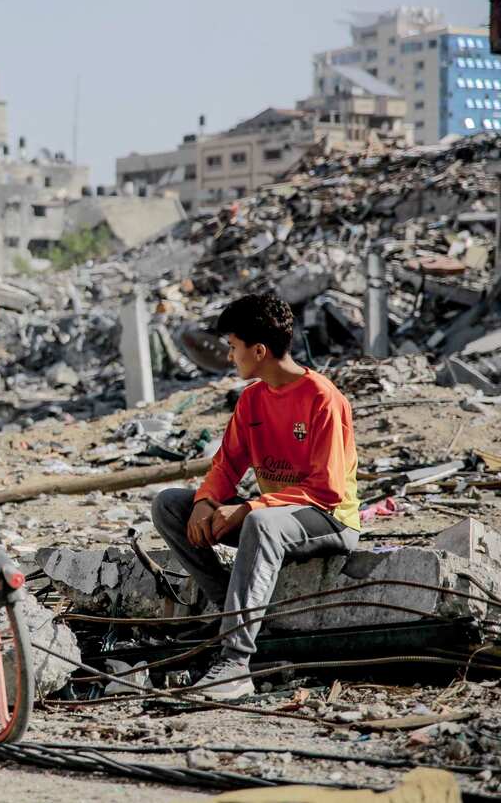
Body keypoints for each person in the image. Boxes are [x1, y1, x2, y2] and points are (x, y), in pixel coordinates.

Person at [152, 293, 361, 699]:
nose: (230, 357)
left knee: (262, 523)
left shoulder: (322, 398)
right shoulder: (252, 399)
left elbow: (327, 488)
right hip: (274, 517)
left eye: (233, 347)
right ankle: (230, 610)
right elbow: (227, 464)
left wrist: (248, 507)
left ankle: (234, 664)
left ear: (259, 350)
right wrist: (204, 503)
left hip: (329, 519)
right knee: (169, 505)